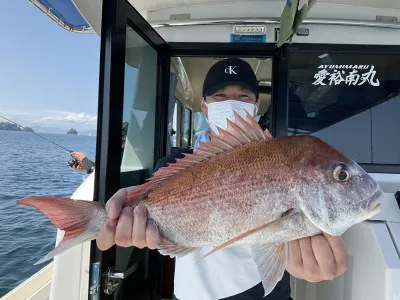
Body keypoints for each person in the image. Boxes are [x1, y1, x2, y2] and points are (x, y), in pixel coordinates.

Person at [96, 58, 348, 300]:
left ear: (256, 105)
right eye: (220, 96)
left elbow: (294, 227)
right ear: (204, 106)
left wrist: (312, 250)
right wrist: (125, 207)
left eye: (243, 96)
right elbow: (156, 212)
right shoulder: (173, 165)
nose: (232, 103)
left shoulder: (282, 161)